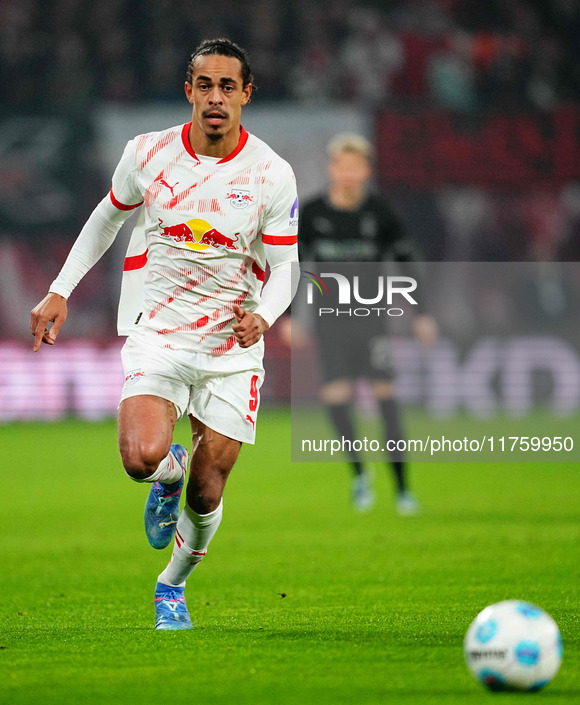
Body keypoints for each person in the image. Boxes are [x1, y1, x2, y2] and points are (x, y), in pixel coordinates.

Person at [30, 38, 299, 630]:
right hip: (161, 334)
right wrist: (60, 289)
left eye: (228, 87)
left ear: (246, 96)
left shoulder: (270, 174)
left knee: (208, 491)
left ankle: (170, 586)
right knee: (139, 458)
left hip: (233, 347)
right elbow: (107, 217)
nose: (216, 97)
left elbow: (286, 267)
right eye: (205, 85)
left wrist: (267, 316)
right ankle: (166, 472)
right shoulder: (147, 153)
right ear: (189, 91)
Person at [295, 133, 436, 513]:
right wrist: (292, 317)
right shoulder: (312, 214)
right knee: (336, 399)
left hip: (372, 322)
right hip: (330, 323)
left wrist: (421, 312)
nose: (348, 173)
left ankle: (403, 490)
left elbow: (408, 260)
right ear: (332, 169)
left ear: (365, 171)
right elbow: (292, 267)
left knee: (385, 398)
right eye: (343, 166)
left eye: (356, 167)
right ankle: (359, 474)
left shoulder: (380, 212)